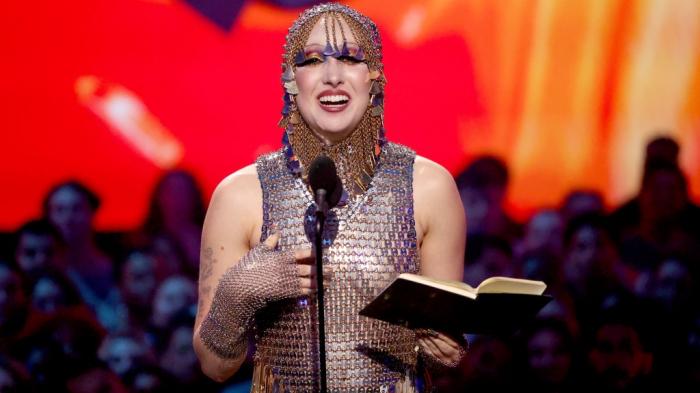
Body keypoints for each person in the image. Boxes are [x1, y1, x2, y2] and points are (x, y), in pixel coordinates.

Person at [193, 3, 466, 391]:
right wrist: (237, 296)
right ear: (290, 80)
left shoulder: (429, 187)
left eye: (351, 59)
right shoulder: (239, 195)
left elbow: (448, 354)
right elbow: (214, 367)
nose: (333, 76)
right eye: (313, 60)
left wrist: (442, 344)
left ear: (375, 78)